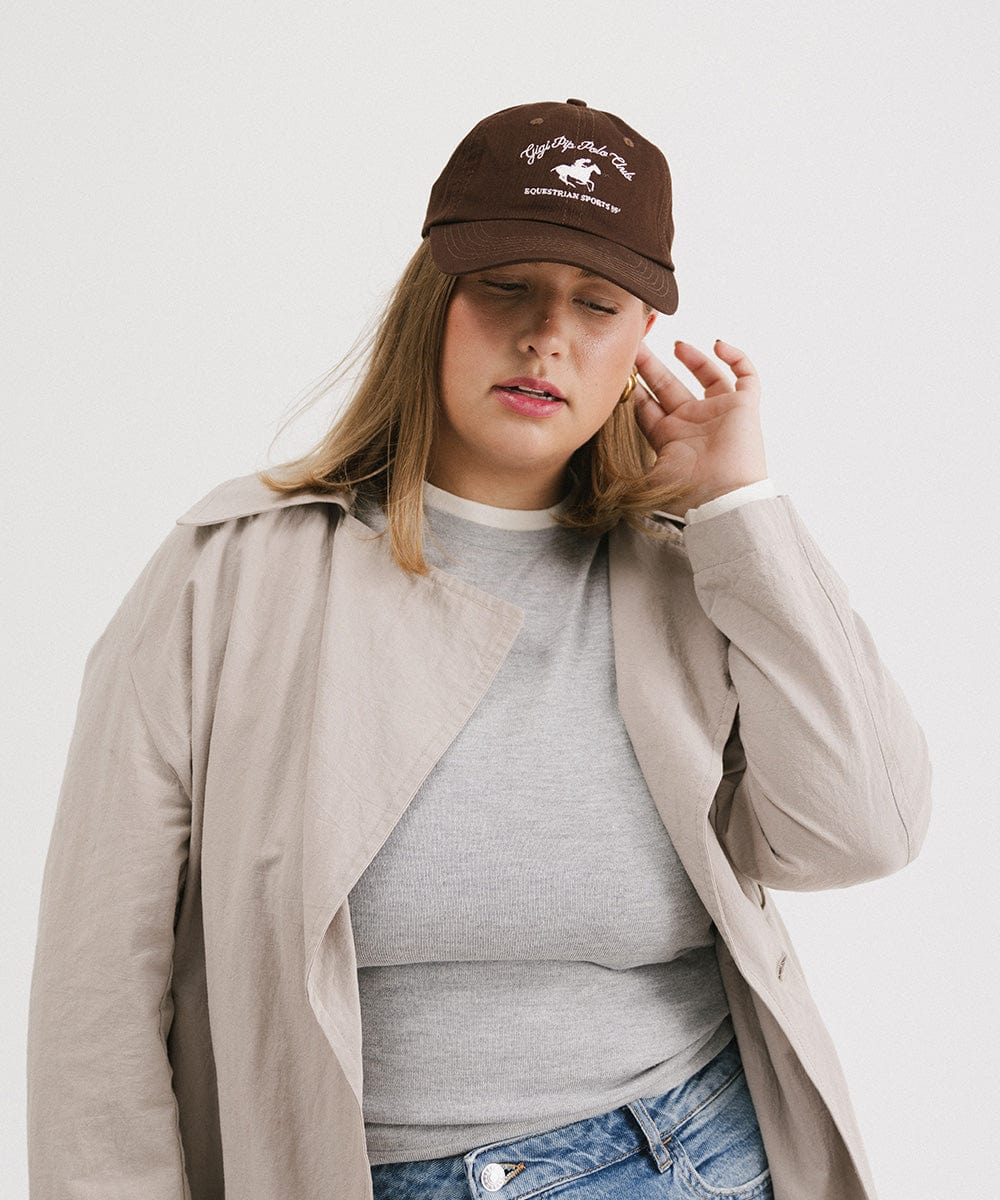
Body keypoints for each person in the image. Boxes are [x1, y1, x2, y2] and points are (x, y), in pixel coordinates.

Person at [26, 99, 932, 1200]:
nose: (546, 335)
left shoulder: (691, 568)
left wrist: (742, 508)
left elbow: (859, 835)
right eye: (506, 285)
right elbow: (98, 989)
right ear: (432, 305)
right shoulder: (231, 572)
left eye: (596, 304)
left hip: (696, 1156)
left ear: (637, 344)